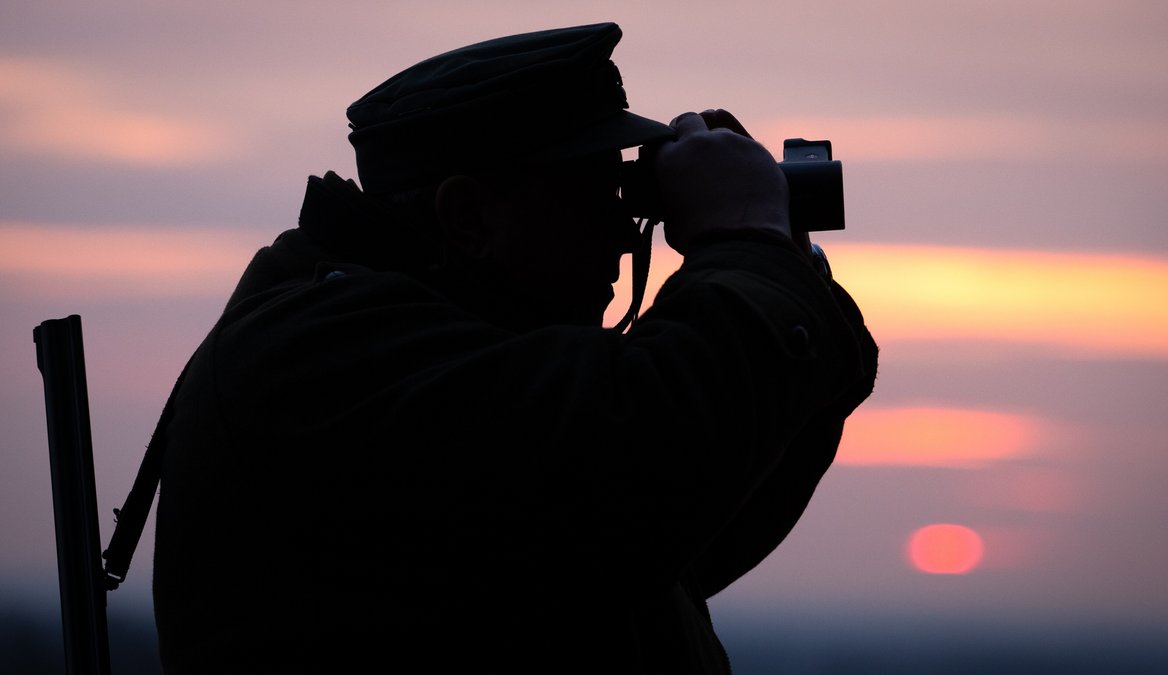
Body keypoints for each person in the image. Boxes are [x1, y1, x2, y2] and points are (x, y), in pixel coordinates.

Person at [149, 21, 877, 675]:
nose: (626, 233)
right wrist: (745, 240)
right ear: (468, 217)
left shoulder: (459, 354)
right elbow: (649, 454)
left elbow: (704, 505)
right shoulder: (319, 359)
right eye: (594, 197)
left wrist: (776, 255)